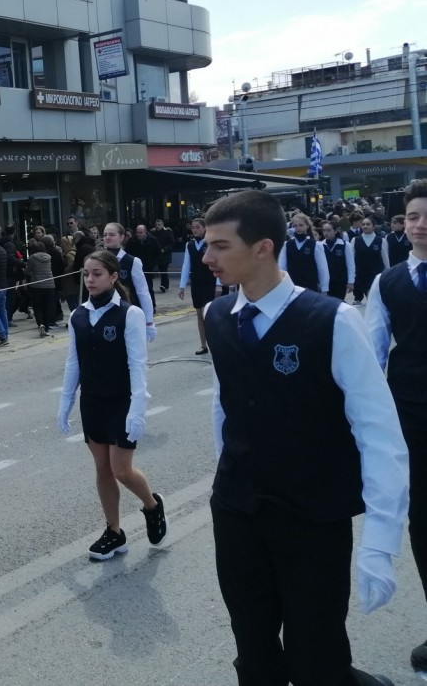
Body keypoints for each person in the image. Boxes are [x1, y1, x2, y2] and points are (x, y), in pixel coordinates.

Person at [201, 189, 408, 686]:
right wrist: (229, 479)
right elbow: (224, 407)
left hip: (312, 518)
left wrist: (380, 543)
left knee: (317, 657)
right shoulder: (217, 318)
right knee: (253, 650)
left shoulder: (331, 320)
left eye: (220, 246)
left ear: (263, 248)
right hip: (239, 513)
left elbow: (379, 432)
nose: (206, 257)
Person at [57, 250, 166, 561]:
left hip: (122, 401)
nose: (90, 279)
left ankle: (152, 506)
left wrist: (138, 408)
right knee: (102, 469)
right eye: (87, 274)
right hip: (92, 402)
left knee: (122, 470)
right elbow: (73, 363)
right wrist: (65, 402)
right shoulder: (78, 315)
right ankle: (114, 532)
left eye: (97, 274)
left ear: (114, 277)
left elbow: (137, 363)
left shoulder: (128, 314)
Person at [365, 178, 427, 675]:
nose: (420, 224)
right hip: (412, 418)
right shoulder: (387, 284)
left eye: (426, 215)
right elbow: (372, 356)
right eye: (412, 216)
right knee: (424, 525)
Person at [101, 223, 156, 342]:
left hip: (128, 312)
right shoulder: (98, 260)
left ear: (122, 237)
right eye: (105, 235)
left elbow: (143, 291)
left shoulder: (132, 261)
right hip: (105, 312)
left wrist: (149, 321)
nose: (107, 237)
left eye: (111, 234)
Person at [178, 217, 221, 355]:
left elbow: (218, 261)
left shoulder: (210, 243)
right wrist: (182, 285)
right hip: (196, 282)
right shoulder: (189, 245)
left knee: (209, 313)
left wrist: (219, 284)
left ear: (204, 228)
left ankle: (215, 342)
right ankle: (203, 345)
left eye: (198, 227)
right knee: (199, 314)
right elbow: (186, 265)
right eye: (193, 227)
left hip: (210, 281)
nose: (195, 229)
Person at [277, 212, 328, 293]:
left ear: (307, 226)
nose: (298, 228)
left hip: (311, 286)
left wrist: (324, 288)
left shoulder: (316, 244)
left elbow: (322, 268)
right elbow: (282, 267)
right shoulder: (286, 245)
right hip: (293, 286)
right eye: (295, 226)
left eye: (301, 225)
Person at [24, 239, 55, 338]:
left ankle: (40, 324)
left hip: (37, 285)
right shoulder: (49, 257)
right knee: (47, 306)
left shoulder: (32, 258)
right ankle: (46, 327)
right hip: (50, 285)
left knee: (37, 306)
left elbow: (27, 271)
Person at [124, 224, 162, 307]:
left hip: (148, 268)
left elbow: (158, 253)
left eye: (141, 232)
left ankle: (152, 305)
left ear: (145, 232)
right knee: (135, 288)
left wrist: (153, 264)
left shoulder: (152, 240)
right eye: (137, 232)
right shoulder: (132, 241)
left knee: (149, 288)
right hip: (135, 268)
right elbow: (127, 253)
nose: (139, 234)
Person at [352, 216, 385, 304]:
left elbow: (386, 259)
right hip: (360, 275)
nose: (365, 226)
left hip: (375, 274)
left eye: (368, 224)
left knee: (374, 299)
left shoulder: (381, 240)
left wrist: (387, 274)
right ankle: (358, 298)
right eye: (363, 224)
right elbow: (352, 259)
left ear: (374, 226)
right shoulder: (355, 240)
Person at [322, 220, 355, 301]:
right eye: (324, 230)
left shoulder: (345, 245)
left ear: (336, 231)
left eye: (329, 230)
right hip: (326, 281)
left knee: (338, 302)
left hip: (340, 281)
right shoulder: (320, 245)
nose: (326, 233)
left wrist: (351, 281)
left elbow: (350, 264)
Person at [151, 219, 175, 292]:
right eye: (156, 225)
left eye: (159, 225)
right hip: (156, 255)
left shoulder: (167, 232)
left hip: (164, 255)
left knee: (163, 270)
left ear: (162, 225)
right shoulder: (153, 232)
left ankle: (164, 285)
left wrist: (164, 249)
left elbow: (172, 243)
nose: (157, 226)